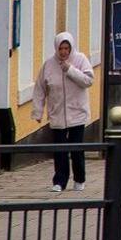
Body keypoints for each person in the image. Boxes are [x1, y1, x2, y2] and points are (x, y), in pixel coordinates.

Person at [32, 32, 95, 193]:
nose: (64, 52)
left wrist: (70, 70)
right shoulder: (49, 65)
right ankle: (60, 181)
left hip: (77, 113)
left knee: (76, 149)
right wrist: (37, 112)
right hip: (57, 113)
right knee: (60, 150)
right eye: (61, 48)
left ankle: (79, 179)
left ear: (71, 48)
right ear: (56, 48)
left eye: (66, 48)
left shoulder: (80, 59)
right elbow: (40, 89)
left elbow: (88, 80)